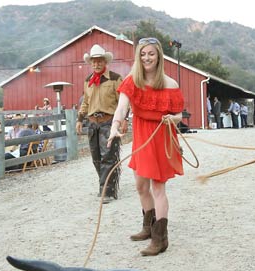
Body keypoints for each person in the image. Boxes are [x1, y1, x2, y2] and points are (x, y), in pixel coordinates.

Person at [107, 37, 185, 257]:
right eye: (142, 54)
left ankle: (161, 239)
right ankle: (148, 227)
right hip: (141, 138)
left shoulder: (171, 84)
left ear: (158, 55)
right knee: (141, 186)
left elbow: (179, 114)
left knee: (158, 188)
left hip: (161, 138)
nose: (146, 58)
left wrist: (173, 119)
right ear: (138, 57)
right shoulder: (132, 81)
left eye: (151, 53)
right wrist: (115, 126)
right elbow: (121, 108)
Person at [78, 44, 124, 204]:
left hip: (109, 122)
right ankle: (106, 184)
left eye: (99, 61)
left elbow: (123, 102)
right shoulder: (88, 81)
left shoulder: (115, 79)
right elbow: (86, 101)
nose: (96, 64)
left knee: (109, 157)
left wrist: (123, 121)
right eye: (93, 61)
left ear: (105, 62)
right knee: (96, 158)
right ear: (90, 63)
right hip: (92, 123)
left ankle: (107, 191)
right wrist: (79, 119)